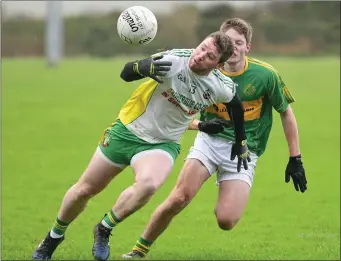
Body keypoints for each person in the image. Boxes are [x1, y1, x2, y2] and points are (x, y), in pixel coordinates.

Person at [32, 31, 251, 261]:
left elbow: (235, 106)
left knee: (148, 185)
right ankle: (54, 236)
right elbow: (126, 73)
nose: (200, 56)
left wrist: (240, 140)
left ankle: (104, 227)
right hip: (127, 130)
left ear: (218, 65)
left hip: (163, 144)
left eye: (209, 56)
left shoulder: (220, 86)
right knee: (85, 190)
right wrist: (142, 67)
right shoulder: (174, 60)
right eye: (202, 48)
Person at [122, 18, 307, 259]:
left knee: (226, 220)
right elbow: (176, 105)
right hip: (208, 143)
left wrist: (296, 158)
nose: (234, 47)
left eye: (239, 42)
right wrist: (199, 125)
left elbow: (286, 113)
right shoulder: (204, 67)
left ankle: (227, 192)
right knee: (179, 198)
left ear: (247, 47)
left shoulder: (265, 75)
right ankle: (139, 250)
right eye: (229, 41)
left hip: (243, 152)